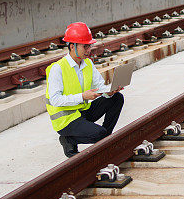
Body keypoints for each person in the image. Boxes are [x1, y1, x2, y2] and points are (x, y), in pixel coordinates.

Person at [45, 22, 125, 157]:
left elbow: (99, 85)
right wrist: (83, 96)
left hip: (83, 112)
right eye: (85, 46)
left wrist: (109, 91)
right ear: (72, 46)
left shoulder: (87, 63)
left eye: (90, 46)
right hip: (66, 120)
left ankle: (105, 138)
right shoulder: (57, 68)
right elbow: (55, 100)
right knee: (99, 134)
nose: (89, 50)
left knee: (117, 98)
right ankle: (68, 139)